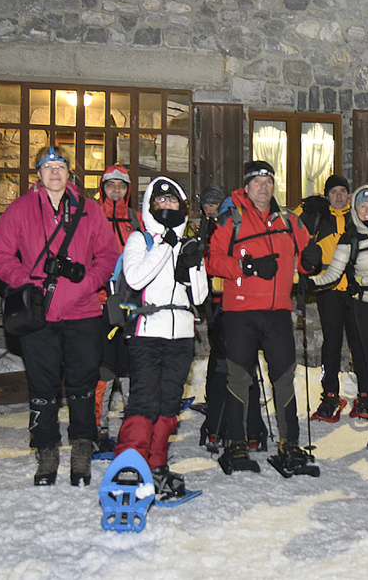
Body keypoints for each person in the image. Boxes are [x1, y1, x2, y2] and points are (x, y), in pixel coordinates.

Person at [0, 146, 118, 486]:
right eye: (48, 167)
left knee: (82, 386)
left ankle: (82, 447)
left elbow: (108, 254)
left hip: (83, 311)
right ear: (38, 175)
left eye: (60, 166)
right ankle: (46, 449)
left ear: (69, 173)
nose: (55, 172)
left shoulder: (89, 211)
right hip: (39, 315)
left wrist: (88, 283)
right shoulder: (21, 209)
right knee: (43, 388)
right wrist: (24, 281)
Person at [205, 161, 322, 474]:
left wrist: (312, 262)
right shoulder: (232, 219)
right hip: (240, 313)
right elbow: (212, 262)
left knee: (284, 378)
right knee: (239, 379)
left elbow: (306, 257)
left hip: (278, 313)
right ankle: (236, 444)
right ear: (246, 187)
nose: (263, 187)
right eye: (257, 182)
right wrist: (248, 268)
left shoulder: (289, 219)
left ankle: (290, 444)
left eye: (268, 181)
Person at [113, 176, 208, 499]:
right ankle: (130, 466)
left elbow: (200, 296)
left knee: (168, 403)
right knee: (144, 400)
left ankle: (156, 465)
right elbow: (136, 278)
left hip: (181, 333)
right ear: (151, 206)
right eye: (160, 201)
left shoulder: (188, 242)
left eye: (173, 202)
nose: (167, 206)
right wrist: (165, 244)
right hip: (147, 332)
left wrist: (193, 266)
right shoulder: (141, 240)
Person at [309, 185, 368, 451]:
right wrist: (308, 282)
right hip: (365, 307)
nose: (367, 210)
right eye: (363, 206)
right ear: (355, 209)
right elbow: (333, 274)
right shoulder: (348, 239)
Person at [198, 184, 269, 453]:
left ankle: (220, 426)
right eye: (206, 204)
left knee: (224, 366)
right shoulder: (224, 221)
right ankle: (249, 429)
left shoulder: (227, 223)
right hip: (233, 303)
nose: (209, 208)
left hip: (230, 303)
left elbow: (217, 262)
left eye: (212, 203)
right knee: (243, 365)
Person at [296, 174, 368, 422]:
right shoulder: (319, 215)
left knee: (360, 344)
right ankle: (330, 395)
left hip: (356, 290)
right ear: (327, 195)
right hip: (328, 291)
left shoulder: (359, 213)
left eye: (342, 191)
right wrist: (307, 202)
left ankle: (366, 395)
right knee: (331, 345)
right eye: (333, 192)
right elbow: (292, 225)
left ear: (349, 195)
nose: (338, 196)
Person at [94, 164, 144, 454]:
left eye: (121, 185)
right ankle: (98, 430)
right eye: (111, 184)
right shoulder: (92, 216)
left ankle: (130, 428)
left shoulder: (135, 220)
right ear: (103, 187)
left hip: (131, 303)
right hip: (100, 304)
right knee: (103, 368)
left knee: (130, 366)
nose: (116, 189)